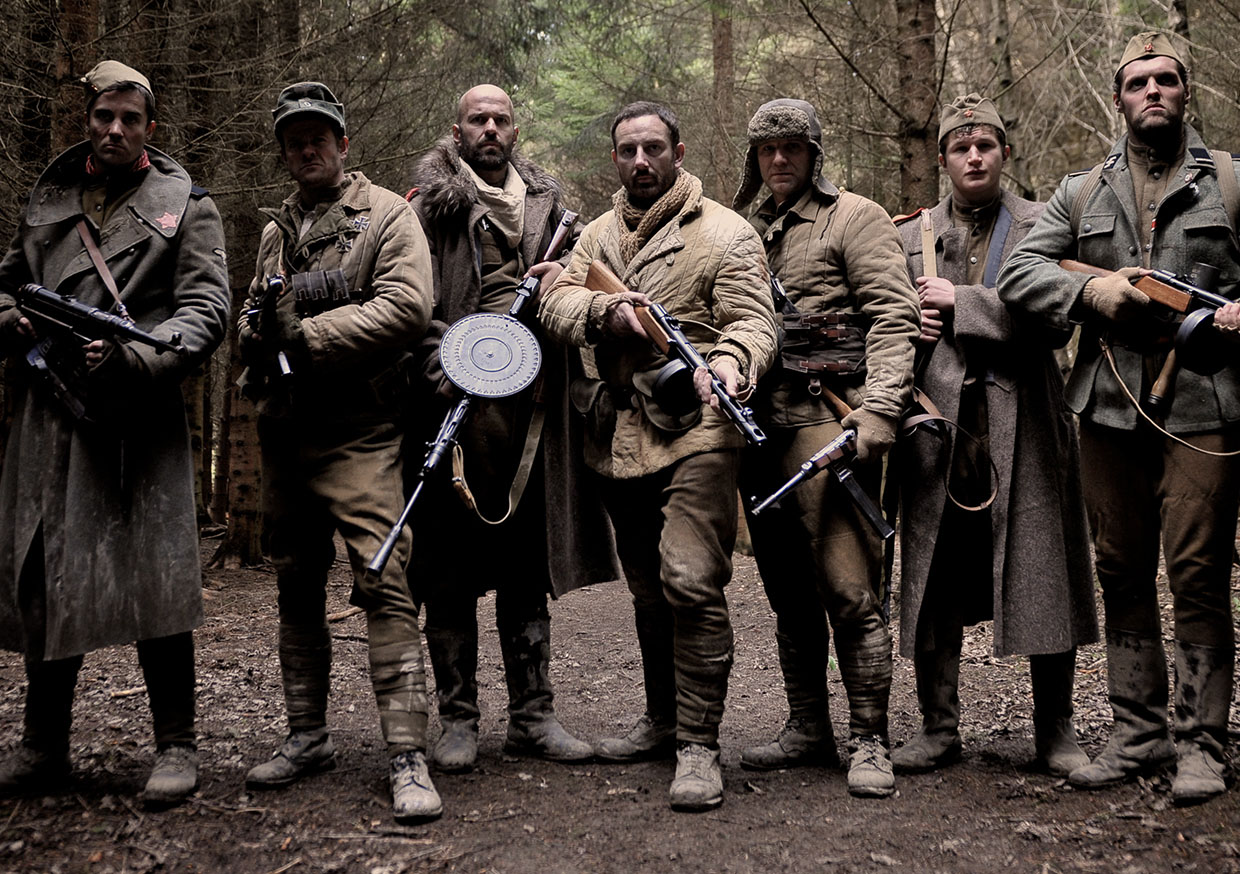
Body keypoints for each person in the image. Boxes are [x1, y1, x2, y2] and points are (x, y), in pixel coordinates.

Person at [999, 33, 1240, 805]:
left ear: (1185, 92)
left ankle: (1202, 745)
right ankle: (1138, 734)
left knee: (1197, 572)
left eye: (1166, 79)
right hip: (1107, 405)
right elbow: (1020, 273)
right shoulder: (1080, 193)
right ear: (1119, 99)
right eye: (1138, 83)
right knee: (1120, 569)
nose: (1153, 92)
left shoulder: (1231, 181)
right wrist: (1090, 292)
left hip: (1203, 403)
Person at [0, 60, 229, 807]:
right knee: (47, 575)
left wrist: (136, 355)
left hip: (139, 416)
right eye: (104, 116)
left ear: (150, 129)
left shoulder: (187, 205)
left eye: (131, 119)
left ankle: (176, 745)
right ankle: (44, 746)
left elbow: (206, 309)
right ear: (88, 120)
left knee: (156, 576)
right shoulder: (50, 199)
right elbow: (6, 281)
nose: (115, 130)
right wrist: (13, 320)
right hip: (52, 414)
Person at [538, 102, 776, 811]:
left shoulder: (726, 231)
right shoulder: (595, 236)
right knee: (647, 588)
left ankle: (699, 746)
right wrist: (603, 312)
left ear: (678, 151)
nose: (640, 161)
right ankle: (663, 721)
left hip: (699, 426)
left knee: (690, 579)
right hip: (617, 433)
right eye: (627, 150)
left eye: (653, 148)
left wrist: (730, 363)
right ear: (615, 158)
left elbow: (753, 320)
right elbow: (555, 301)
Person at [238, 82, 442, 821]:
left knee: (384, 576)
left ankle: (407, 754)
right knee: (296, 580)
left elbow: (408, 306)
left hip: (362, 428)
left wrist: (306, 336)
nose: (307, 149)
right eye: (294, 140)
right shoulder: (277, 229)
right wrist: (256, 333)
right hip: (286, 428)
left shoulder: (387, 214)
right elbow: (252, 311)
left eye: (318, 136)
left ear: (343, 143)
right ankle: (307, 736)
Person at [405, 84, 618, 772]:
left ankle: (533, 716)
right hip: (454, 413)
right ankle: (458, 720)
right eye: (478, 120)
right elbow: (405, 302)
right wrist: (442, 363)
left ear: (515, 130)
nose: (490, 128)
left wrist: (565, 288)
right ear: (458, 131)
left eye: (501, 119)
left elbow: (591, 292)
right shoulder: (424, 210)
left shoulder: (551, 211)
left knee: (527, 565)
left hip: (534, 417)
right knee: (447, 571)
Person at [891, 94, 1098, 777]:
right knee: (935, 573)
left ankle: (1055, 730)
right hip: (939, 425)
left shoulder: (1043, 225)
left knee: (1043, 568)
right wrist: (910, 325)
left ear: (1005, 153)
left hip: (1027, 422)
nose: (974, 157)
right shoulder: (908, 236)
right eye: (961, 147)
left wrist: (965, 303)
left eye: (986, 146)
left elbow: (1059, 322)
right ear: (943, 158)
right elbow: (881, 324)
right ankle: (937, 727)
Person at [730, 99, 920, 798]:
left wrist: (881, 408)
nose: (779, 159)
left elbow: (894, 316)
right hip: (759, 427)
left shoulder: (856, 218)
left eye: (792, 147)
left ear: (814, 153)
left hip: (829, 425)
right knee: (786, 590)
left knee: (849, 588)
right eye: (767, 149)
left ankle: (870, 739)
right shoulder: (742, 229)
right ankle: (808, 727)